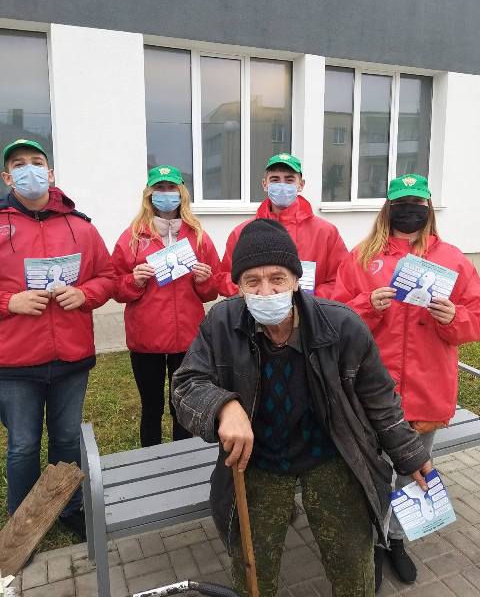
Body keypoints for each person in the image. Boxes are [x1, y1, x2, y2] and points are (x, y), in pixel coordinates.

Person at [172, 218, 432, 597]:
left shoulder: (341, 324)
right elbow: (185, 384)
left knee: (352, 567)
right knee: (253, 572)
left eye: (277, 278)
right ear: (237, 286)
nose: (266, 291)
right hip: (258, 459)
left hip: (332, 453)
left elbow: (380, 399)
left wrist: (410, 454)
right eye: (252, 281)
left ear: (297, 279)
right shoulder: (221, 323)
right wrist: (223, 406)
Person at [333, 173, 480, 590]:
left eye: (417, 202)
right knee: (368, 469)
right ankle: (371, 542)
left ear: (428, 207)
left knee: (413, 469)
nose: (409, 210)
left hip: (426, 389)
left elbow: (476, 317)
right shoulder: (362, 257)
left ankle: (396, 540)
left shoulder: (453, 259)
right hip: (370, 392)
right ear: (388, 207)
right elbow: (335, 316)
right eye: (401, 202)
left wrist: (455, 317)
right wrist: (367, 304)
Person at [0, 138, 115, 540]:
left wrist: (86, 294)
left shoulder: (80, 226)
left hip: (71, 357)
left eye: (36, 162)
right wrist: (9, 301)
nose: (29, 169)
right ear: (7, 177)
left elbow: (108, 276)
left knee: (66, 438)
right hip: (15, 362)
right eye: (19, 164)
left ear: (50, 174)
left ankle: (68, 507)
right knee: (23, 445)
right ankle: (23, 521)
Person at [112, 165, 220, 445]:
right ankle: (151, 459)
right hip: (146, 338)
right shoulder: (132, 237)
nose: (166, 193)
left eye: (171, 187)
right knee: (151, 407)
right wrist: (134, 280)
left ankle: (182, 460)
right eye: (159, 188)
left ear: (182, 192)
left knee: (182, 406)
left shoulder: (198, 236)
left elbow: (211, 291)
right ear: (149, 194)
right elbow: (115, 286)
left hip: (187, 338)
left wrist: (204, 280)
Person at [217, 153, 347, 298]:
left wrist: (306, 300)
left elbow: (341, 279)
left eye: (289, 180)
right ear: (265, 184)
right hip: (255, 309)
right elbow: (224, 278)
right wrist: (255, 292)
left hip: (310, 310)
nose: (282, 185)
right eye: (275, 180)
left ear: (301, 185)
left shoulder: (326, 232)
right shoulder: (242, 232)